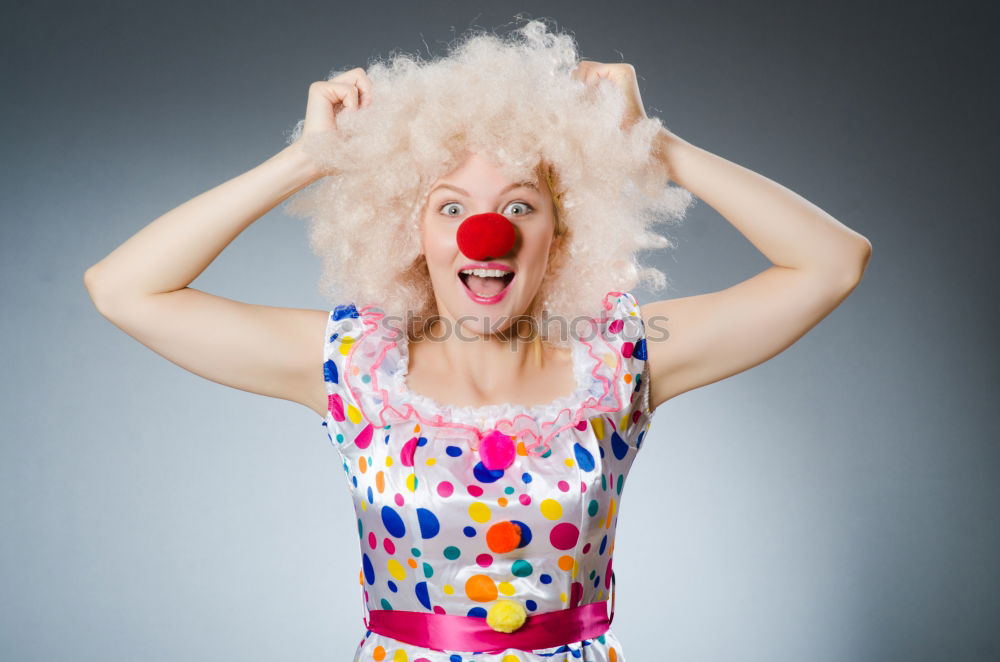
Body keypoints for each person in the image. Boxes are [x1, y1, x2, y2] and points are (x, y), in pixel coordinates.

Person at [83, 18, 871, 662]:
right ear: (408, 231)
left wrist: (652, 146)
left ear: (563, 235)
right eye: (450, 207)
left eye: (521, 207)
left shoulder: (621, 358)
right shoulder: (352, 366)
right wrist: (305, 160)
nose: (486, 232)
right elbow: (123, 288)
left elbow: (833, 263)